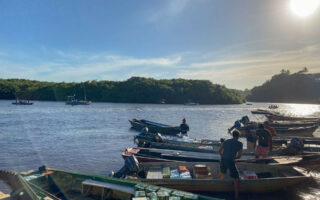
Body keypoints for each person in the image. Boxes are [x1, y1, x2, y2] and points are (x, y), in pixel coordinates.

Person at [218, 130, 243, 199]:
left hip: (223, 159)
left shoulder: (226, 141)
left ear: (232, 135)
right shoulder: (240, 143)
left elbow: (219, 151)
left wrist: (223, 157)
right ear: (238, 136)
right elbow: (239, 156)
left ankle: (217, 189)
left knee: (222, 173)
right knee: (236, 178)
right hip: (231, 160)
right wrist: (234, 158)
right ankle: (236, 197)